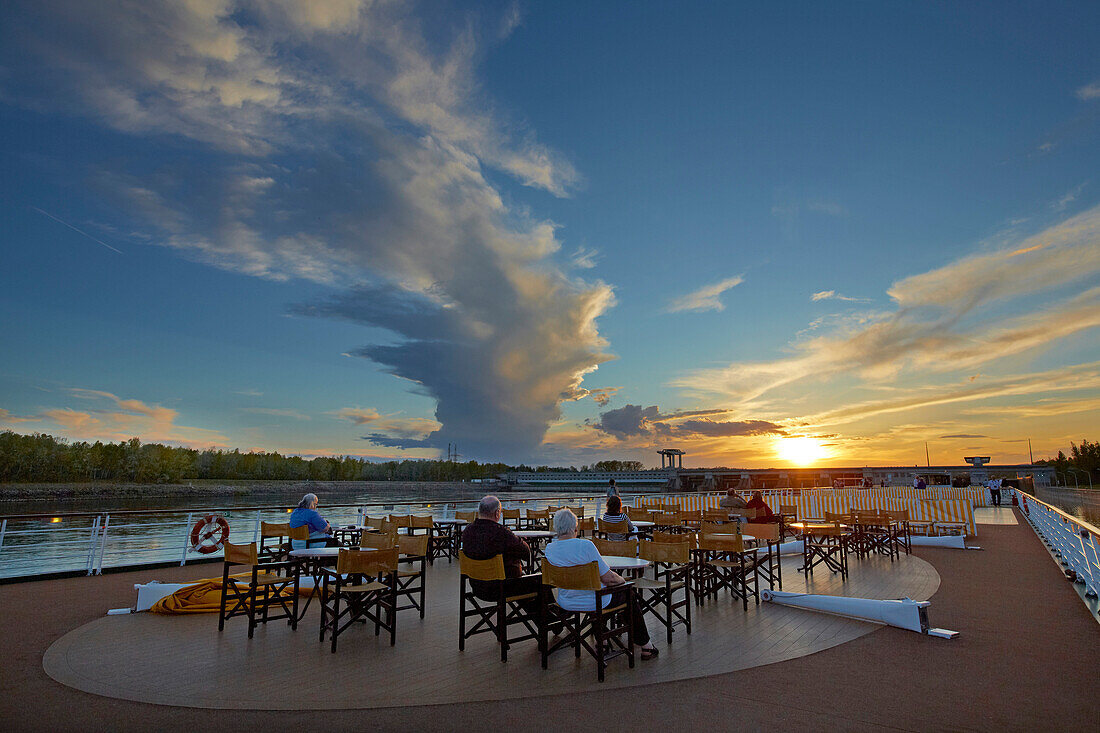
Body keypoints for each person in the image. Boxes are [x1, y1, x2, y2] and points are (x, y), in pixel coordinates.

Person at [544, 509, 658, 660]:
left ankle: (602, 641)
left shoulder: (549, 549)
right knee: (626, 594)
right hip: (594, 601)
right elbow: (609, 578)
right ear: (575, 529)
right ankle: (646, 646)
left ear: (556, 528)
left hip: (566, 601)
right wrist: (623, 581)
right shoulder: (585, 546)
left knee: (598, 594)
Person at [461, 495, 542, 614]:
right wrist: (517, 539)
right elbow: (526, 553)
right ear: (497, 512)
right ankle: (553, 618)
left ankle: (552, 618)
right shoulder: (501, 533)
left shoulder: (467, 531)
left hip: (477, 587)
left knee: (525, 584)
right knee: (539, 581)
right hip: (502, 588)